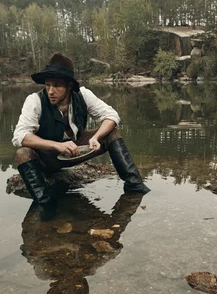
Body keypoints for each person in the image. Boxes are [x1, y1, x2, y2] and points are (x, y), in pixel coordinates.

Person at [12, 52, 150, 206]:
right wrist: (56, 145)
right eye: (48, 84)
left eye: (57, 85)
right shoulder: (35, 101)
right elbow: (20, 136)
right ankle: (44, 204)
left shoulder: (83, 95)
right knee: (22, 153)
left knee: (110, 133)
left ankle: (135, 186)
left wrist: (96, 137)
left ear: (69, 86)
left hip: (78, 151)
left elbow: (111, 116)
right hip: (48, 159)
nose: (51, 91)